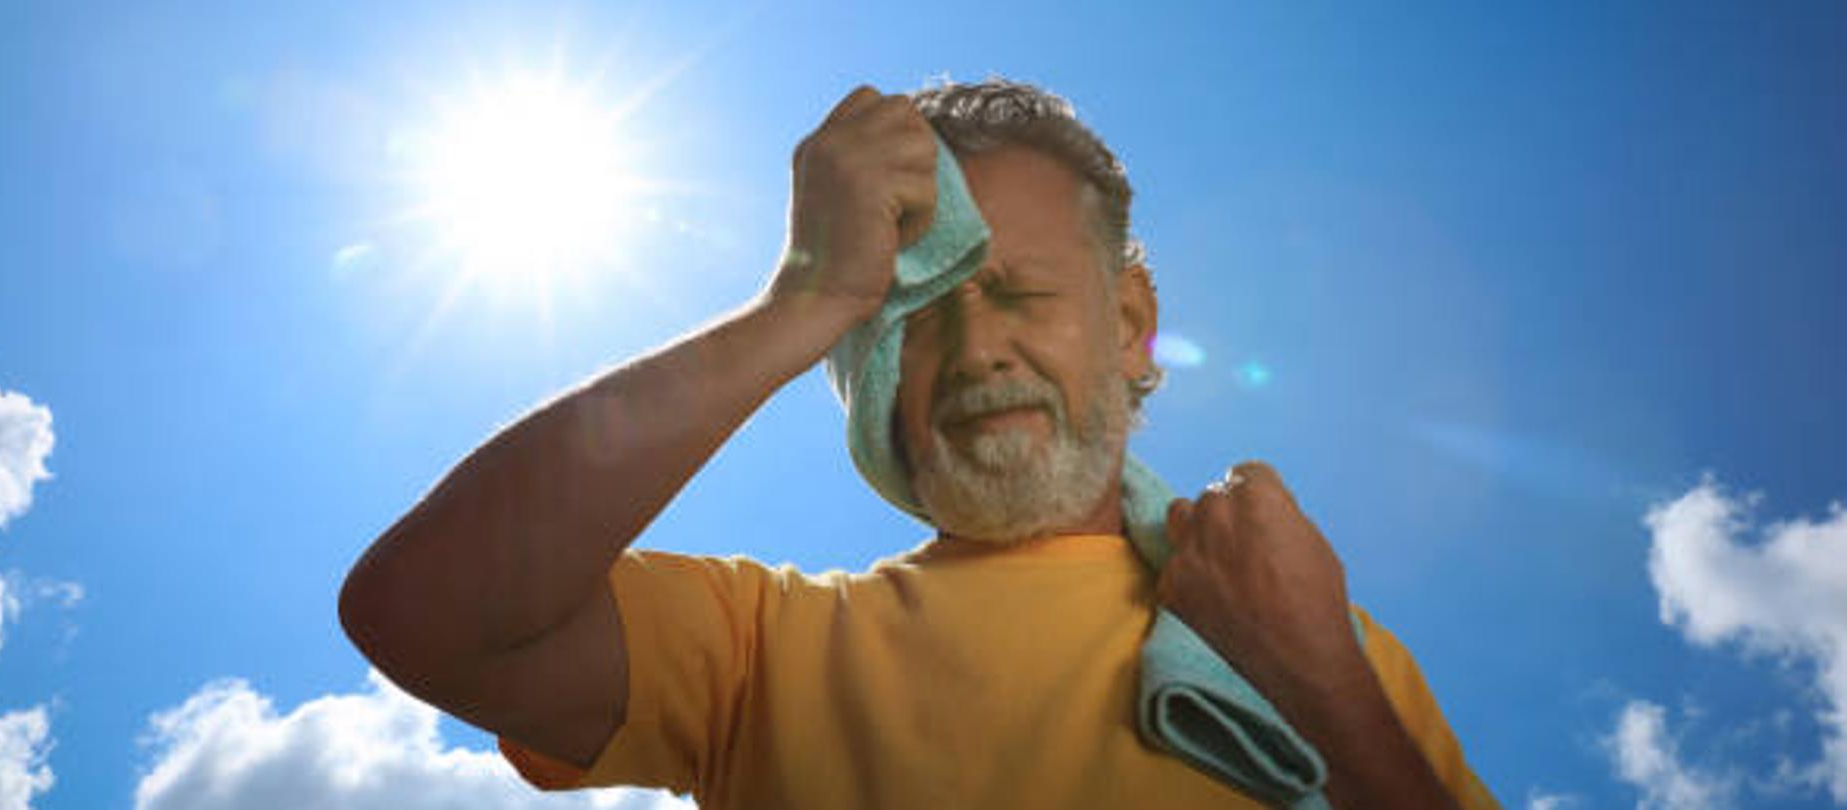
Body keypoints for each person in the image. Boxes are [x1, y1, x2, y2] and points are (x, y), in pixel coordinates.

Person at [339, 79, 1499, 809]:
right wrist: (801, 303)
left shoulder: (1331, 647)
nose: (979, 348)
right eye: (915, 316)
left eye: (1020, 291)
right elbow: (422, 614)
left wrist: (1325, 684)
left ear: (1132, 323)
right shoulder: (760, 650)